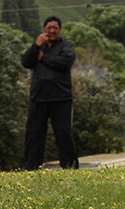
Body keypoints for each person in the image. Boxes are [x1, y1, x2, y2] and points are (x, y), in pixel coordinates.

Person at [21, 16, 78, 170]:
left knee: (63, 133)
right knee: (34, 134)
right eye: (49, 28)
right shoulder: (38, 47)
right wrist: (36, 46)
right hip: (38, 97)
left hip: (61, 97)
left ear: (60, 30)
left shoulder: (66, 46)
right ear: (44, 30)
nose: (52, 31)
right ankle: (31, 168)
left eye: (55, 28)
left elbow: (65, 63)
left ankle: (70, 167)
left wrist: (43, 58)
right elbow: (26, 61)